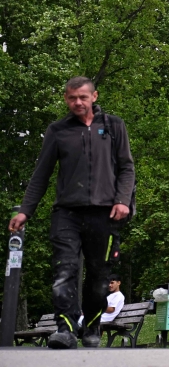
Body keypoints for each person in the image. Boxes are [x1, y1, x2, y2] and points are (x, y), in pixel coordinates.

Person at [8, 77, 135, 350]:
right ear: (66, 99)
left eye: (83, 97)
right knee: (64, 269)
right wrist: (25, 211)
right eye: (72, 98)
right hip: (67, 213)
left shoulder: (113, 126)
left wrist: (123, 200)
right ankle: (65, 328)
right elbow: (41, 174)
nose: (78, 102)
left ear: (94, 97)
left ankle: (92, 325)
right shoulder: (58, 130)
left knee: (99, 275)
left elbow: (127, 167)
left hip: (105, 213)